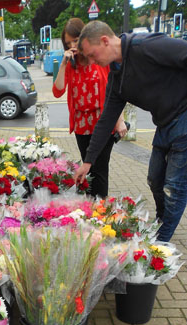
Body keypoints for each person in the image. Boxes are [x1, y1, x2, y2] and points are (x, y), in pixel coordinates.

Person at [75, 20, 187, 241]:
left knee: (174, 188)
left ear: (105, 41)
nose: (90, 61)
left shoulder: (145, 46)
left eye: (91, 54)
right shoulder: (116, 78)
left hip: (184, 117)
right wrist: (87, 162)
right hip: (164, 124)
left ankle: (160, 242)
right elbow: (106, 120)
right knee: (155, 180)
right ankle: (162, 222)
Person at [53, 18, 127, 198]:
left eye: (75, 40)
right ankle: (90, 205)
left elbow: (114, 91)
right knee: (88, 169)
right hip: (81, 124)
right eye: (68, 42)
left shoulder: (100, 59)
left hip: (102, 122)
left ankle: (100, 209)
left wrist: (120, 120)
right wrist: (63, 64)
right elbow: (57, 91)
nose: (72, 45)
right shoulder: (71, 64)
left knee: (100, 169)